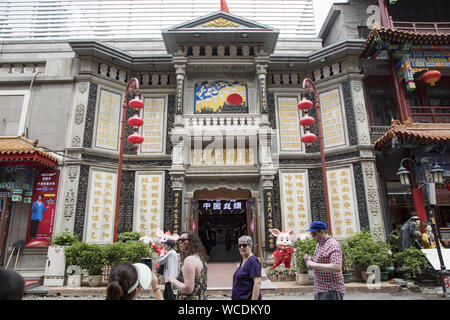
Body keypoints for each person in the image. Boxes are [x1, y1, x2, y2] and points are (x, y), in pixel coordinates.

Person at [303, 221, 345, 300]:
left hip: (331, 290)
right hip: (320, 288)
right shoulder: (320, 244)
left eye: (314, 234)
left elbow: (337, 267)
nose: (313, 237)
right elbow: (322, 260)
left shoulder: (333, 245)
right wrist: (310, 258)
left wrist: (313, 264)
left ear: (321, 232)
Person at [168, 231, 208, 300]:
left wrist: (173, 280)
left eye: (183, 240)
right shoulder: (200, 258)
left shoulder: (189, 260)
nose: (180, 242)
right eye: (179, 240)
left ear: (192, 242)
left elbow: (188, 289)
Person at [231, 235, 262, 300]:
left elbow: (257, 282)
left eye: (244, 245)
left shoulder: (253, 261)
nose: (241, 247)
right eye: (240, 245)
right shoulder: (244, 260)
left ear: (250, 246)